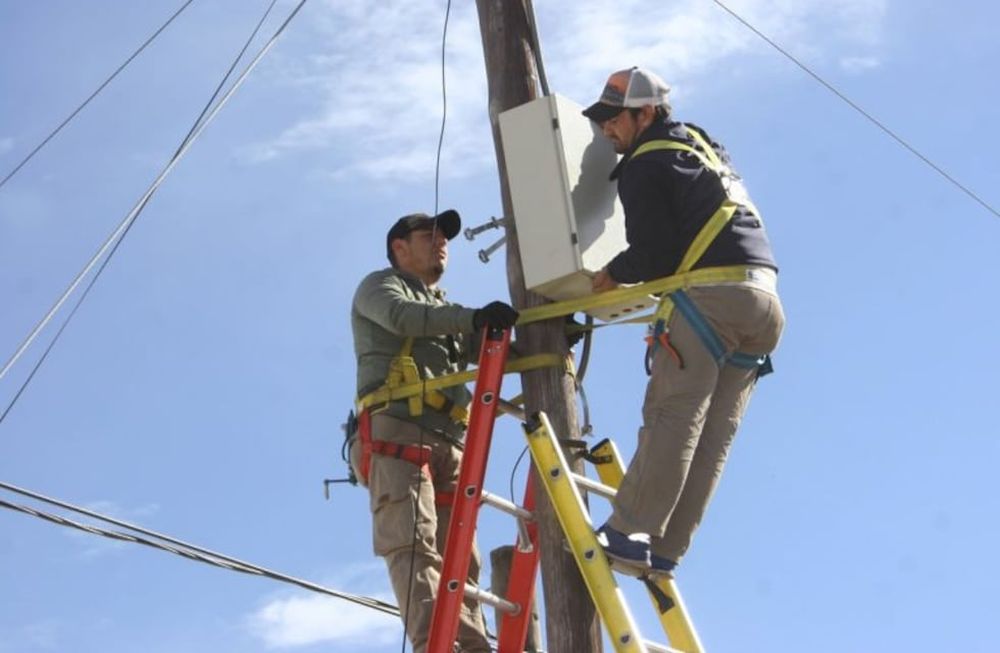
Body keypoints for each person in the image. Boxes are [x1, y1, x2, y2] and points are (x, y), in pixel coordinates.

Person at [582, 67, 785, 575]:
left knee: (674, 416)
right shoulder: (700, 145)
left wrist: (612, 273)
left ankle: (628, 533)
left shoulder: (644, 163)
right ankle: (667, 549)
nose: (608, 130)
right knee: (713, 436)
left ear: (644, 113)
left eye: (613, 119)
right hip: (764, 301)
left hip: (713, 298)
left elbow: (655, 255)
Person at [348, 209, 518, 653]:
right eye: (429, 235)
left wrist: (547, 340)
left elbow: (488, 347)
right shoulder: (379, 287)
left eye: (444, 237)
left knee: (463, 561)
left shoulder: (445, 310)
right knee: (413, 544)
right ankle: (435, 646)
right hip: (398, 433)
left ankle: (474, 646)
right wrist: (475, 319)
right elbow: (404, 318)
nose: (441, 242)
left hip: (447, 442)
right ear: (399, 247)